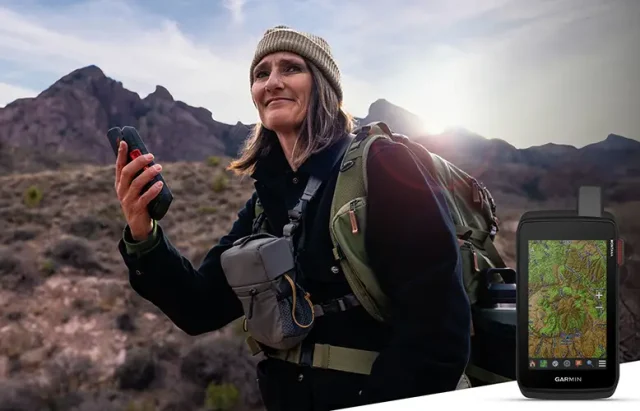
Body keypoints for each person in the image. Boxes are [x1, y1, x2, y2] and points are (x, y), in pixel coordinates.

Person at [114, 25, 471, 411]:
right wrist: (143, 231)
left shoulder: (384, 166)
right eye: (261, 73)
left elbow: (438, 333)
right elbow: (200, 308)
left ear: (323, 86)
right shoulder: (266, 202)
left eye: (291, 68)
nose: (272, 83)